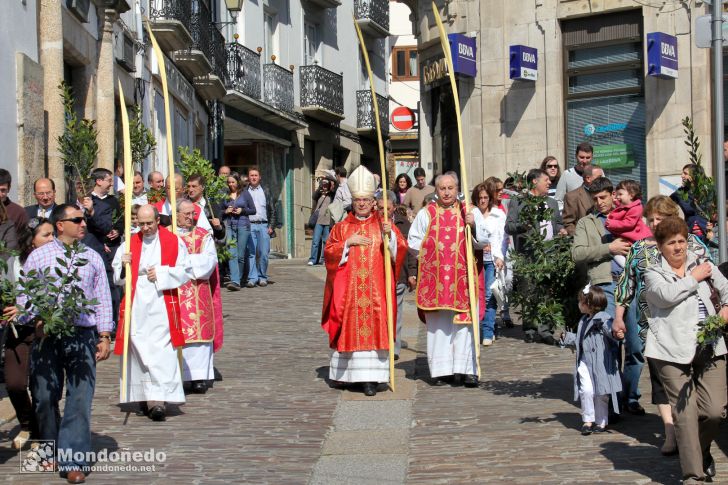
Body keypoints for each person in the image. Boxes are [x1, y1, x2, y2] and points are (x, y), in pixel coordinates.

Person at [19, 204, 113, 482]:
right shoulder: (39, 257)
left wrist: (104, 335)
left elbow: (102, 297)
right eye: (77, 220)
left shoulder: (92, 257)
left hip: (82, 335)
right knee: (45, 397)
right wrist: (36, 319)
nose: (83, 224)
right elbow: (25, 297)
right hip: (47, 336)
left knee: (79, 399)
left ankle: (74, 460)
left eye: (83, 220)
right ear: (60, 225)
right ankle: (51, 449)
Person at [613, 195, 710, 452]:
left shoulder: (692, 244)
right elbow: (627, 284)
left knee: (693, 374)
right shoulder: (640, 248)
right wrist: (619, 315)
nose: (654, 223)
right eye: (651, 219)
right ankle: (670, 431)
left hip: (691, 321)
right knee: (661, 377)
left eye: (660, 218)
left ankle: (690, 425)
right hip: (652, 323)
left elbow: (710, 275)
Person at [643, 217, 728, 483]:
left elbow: (726, 289)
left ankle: (701, 451)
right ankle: (693, 474)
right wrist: (693, 278)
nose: (678, 247)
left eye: (682, 240)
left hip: (710, 344)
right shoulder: (653, 273)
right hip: (669, 350)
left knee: (715, 411)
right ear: (660, 246)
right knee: (686, 412)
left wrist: (725, 309)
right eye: (671, 243)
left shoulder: (703, 265)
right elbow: (665, 296)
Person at [321, 166, 406, 396]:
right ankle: (349, 377)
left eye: (366, 200)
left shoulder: (383, 225)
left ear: (373, 201)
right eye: (358, 200)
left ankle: (371, 379)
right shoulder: (342, 228)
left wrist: (390, 239)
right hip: (350, 293)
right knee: (348, 326)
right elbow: (329, 252)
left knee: (375, 328)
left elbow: (399, 252)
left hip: (375, 292)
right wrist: (347, 243)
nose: (362, 204)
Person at [112, 205, 193, 422]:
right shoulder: (128, 243)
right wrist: (124, 265)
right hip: (137, 303)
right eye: (141, 223)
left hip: (162, 302)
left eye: (149, 223)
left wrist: (162, 272)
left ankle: (158, 400)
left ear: (158, 220)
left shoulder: (173, 241)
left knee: (161, 352)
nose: (145, 228)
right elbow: (117, 276)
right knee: (140, 350)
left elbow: (185, 270)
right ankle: (144, 395)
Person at [408, 173, 481, 387]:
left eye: (451, 188)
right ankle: (442, 370)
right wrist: (431, 254)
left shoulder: (468, 211)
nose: (447, 192)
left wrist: (474, 225)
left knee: (464, 326)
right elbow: (413, 241)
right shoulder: (426, 213)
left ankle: (467, 370)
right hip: (436, 279)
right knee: (439, 326)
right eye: (442, 188)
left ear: (457, 188)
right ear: (436, 190)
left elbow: (484, 240)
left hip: (462, 279)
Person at [1, 217, 53, 449]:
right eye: (46, 235)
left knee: (41, 387)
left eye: (53, 234)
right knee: (14, 383)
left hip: (44, 330)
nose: (51, 239)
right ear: (31, 241)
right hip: (18, 330)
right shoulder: (14, 263)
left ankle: (43, 433)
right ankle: (27, 423)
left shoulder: (58, 261)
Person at [561, 285, 623, 435]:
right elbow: (581, 340)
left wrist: (616, 334)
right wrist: (568, 338)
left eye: (580, 301)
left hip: (601, 363)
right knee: (586, 390)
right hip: (585, 361)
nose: (578, 304)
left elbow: (610, 330)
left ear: (588, 304)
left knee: (601, 393)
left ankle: (601, 421)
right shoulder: (583, 320)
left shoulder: (603, 319)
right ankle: (588, 419)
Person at [176, 200, 223, 394]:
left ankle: (199, 377)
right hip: (175, 290)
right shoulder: (167, 235)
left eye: (192, 213)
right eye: (186, 213)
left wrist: (184, 264)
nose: (190, 217)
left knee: (199, 335)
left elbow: (209, 260)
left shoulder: (203, 236)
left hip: (197, 288)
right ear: (176, 214)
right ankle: (178, 373)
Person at [572, 177, 632, 317]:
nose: (599, 202)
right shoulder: (586, 222)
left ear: (613, 194)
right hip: (605, 283)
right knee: (609, 330)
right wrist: (609, 248)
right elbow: (577, 253)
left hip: (631, 280)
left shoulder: (628, 216)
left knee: (634, 334)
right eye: (595, 199)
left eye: (603, 197)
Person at [377, 192, 417, 359]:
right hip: (378, 274)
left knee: (396, 312)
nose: (384, 212)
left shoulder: (403, 224)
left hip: (398, 275)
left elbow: (409, 250)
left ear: (393, 207)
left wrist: (412, 273)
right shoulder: (371, 224)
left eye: (387, 208)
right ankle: (379, 343)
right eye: (380, 208)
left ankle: (394, 346)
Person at [472, 181, 506, 346]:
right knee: (477, 295)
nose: (483, 201)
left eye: (485, 197)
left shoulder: (498, 214)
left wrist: (500, 256)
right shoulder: (472, 214)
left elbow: (502, 239)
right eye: (480, 198)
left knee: (489, 294)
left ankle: (487, 331)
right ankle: (480, 328)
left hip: (492, 259)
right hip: (475, 259)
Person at [222, 173, 256, 290]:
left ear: (237, 182)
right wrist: (226, 211)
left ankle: (240, 278)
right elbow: (220, 211)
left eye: (233, 182)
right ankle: (235, 281)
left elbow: (253, 210)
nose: (231, 184)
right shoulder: (225, 195)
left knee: (241, 255)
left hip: (243, 226)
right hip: (230, 226)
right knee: (232, 254)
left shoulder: (245, 194)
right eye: (229, 182)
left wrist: (242, 210)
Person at [246, 167, 276, 288]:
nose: (253, 177)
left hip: (264, 225)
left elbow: (273, 210)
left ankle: (262, 276)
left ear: (260, 177)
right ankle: (252, 278)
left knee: (264, 253)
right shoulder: (245, 191)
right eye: (251, 175)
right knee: (251, 253)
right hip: (250, 225)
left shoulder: (266, 190)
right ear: (249, 177)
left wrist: (271, 226)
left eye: (256, 175)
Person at [605, 180, 652, 252]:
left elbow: (629, 223)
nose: (617, 197)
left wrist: (613, 224)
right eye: (617, 194)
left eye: (620, 194)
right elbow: (623, 208)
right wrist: (616, 202)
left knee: (619, 257)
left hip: (635, 239)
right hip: (629, 239)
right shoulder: (628, 205)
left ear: (631, 195)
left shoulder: (636, 208)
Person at [562, 164, 604, 235]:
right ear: (588, 179)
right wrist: (581, 237)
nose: (602, 180)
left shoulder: (606, 193)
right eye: (599, 177)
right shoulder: (572, 197)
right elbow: (568, 223)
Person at [670, 164, 708, 238]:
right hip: (690, 234)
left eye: (685, 173)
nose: (682, 176)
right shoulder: (680, 192)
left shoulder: (708, 190)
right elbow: (665, 205)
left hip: (708, 234)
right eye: (682, 173)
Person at [308, 176, 337, 266]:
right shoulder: (319, 194)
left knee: (326, 241)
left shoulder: (332, 194)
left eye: (326, 184)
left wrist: (328, 178)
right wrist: (320, 187)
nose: (324, 186)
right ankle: (313, 259)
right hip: (318, 221)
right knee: (315, 241)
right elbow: (314, 196)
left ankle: (323, 259)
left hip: (328, 222)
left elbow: (336, 185)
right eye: (323, 184)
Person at [186, 174, 225, 240]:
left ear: (203, 187)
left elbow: (221, 236)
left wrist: (218, 227)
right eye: (188, 186)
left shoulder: (211, 206)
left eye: (194, 186)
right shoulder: (182, 205)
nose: (190, 189)